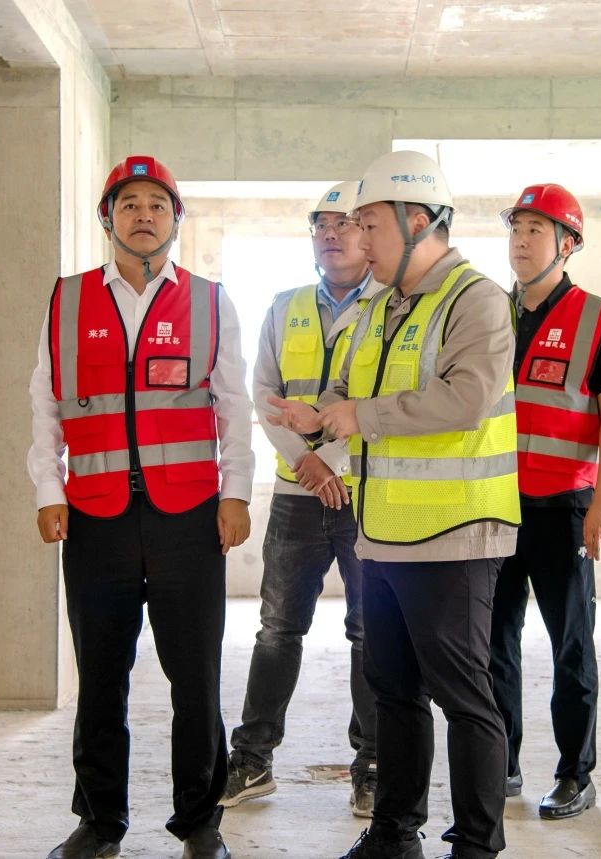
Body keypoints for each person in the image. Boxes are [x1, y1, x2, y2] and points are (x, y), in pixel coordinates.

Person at [268, 150, 519, 859]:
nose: (358, 239)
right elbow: (350, 395)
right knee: (393, 689)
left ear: (418, 222)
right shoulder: (380, 307)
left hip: (455, 532)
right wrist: (315, 416)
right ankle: (393, 833)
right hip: (380, 531)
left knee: (464, 695)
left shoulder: (475, 299)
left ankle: (475, 845)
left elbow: (466, 399)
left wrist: (359, 416)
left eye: (370, 224)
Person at [28, 154, 253, 859]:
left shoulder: (210, 302)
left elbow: (233, 404)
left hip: (189, 517)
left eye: (158, 204)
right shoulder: (67, 300)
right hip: (95, 518)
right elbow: (44, 403)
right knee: (100, 678)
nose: (144, 215)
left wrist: (236, 491)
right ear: (108, 219)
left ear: (176, 220)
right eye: (129, 204)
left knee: (197, 677)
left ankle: (200, 822)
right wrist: (48, 489)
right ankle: (100, 821)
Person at [222, 181, 384, 817]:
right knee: (277, 630)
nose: (332, 234)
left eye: (346, 223)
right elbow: (263, 392)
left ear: (367, 234)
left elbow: (388, 401)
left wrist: (332, 462)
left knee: (370, 632)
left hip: (366, 495)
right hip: (296, 495)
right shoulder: (283, 306)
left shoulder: (389, 307)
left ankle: (372, 765)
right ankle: (253, 759)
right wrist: (306, 463)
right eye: (322, 224)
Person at [488, 184, 601, 820]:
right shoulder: (490, 312)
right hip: (494, 504)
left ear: (567, 244)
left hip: (565, 507)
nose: (520, 241)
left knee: (571, 644)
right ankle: (502, 762)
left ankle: (575, 773)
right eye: (515, 229)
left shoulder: (598, 317)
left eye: (535, 230)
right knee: (495, 642)